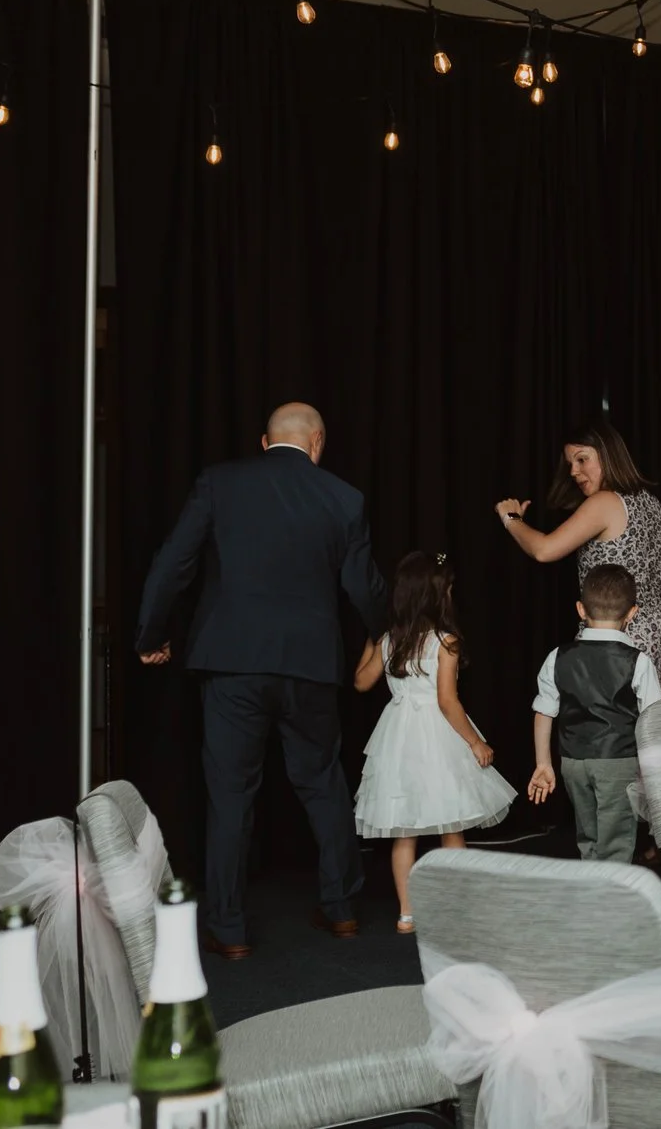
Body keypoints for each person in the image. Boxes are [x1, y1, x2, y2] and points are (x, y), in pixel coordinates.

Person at [134, 401, 387, 956]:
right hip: (312, 664)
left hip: (232, 662)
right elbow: (365, 588)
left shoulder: (220, 484)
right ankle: (342, 909)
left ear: (265, 441)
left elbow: (174, 562)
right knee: (322, 781)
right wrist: (381, 636)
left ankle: (228, 930)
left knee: (230, 794)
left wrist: (150, 635)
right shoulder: (344, 498)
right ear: (317, 442)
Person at [351, 552, 515, 932]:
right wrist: (475, 742)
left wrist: (372, 638)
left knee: (404, 832)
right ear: (435, 596)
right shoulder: (446, 641)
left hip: (397, 736)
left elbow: (361, 682)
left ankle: (407, 914)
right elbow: (447, 701)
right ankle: (456, 910)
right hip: (436, 736)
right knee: (450, 827)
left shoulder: (390, 640)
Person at [497, 419, 661, 696]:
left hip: (619, 637)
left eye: (582, 459)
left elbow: (544, 550)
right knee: (657, 729)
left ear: (607, 454)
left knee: (607, 731)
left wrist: (510, 518)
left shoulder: (605, 502)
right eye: (570, 463)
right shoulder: (650, 501)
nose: (574, 471)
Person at [527, 564, 661, 864]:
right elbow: (655, 721)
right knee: (615, 842)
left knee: (588, 837)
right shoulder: (638, 662)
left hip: (573, 763)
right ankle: (611, 905)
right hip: (617, 761)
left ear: (580, 609)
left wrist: (543, 764)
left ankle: (592, 897)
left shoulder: (557, 656)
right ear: (632, 613)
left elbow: (544, 712)